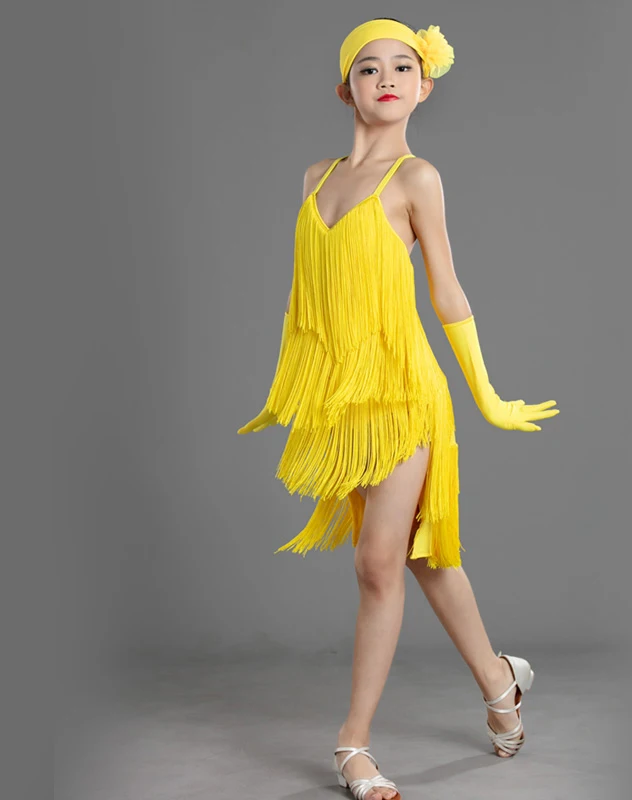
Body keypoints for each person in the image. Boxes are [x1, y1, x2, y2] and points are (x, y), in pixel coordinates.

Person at [238, 18, 560, 800]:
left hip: (404, 392)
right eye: (369, 67)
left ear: (424, 87)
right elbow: (305, 301)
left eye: (403, 66)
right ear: (344, 87)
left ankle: (351, 744)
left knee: (376, 563)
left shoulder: (418, 179)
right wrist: (298, 389)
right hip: (343, 398)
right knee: (422, 556)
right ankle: (500, 682)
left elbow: (446, 290)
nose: (386, 78)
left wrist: (487, 396)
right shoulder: (315, 177)